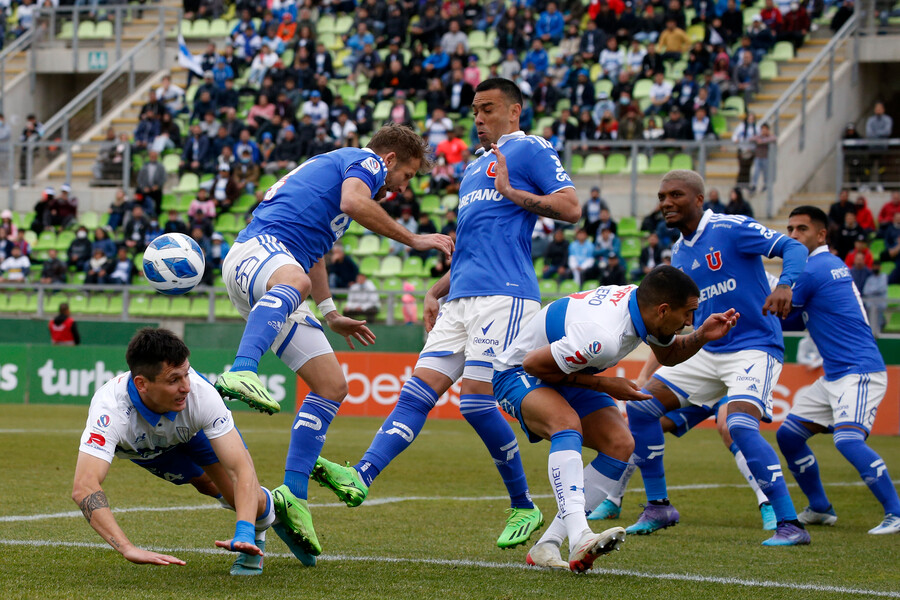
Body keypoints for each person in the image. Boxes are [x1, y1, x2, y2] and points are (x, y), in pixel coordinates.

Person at [312, 78, 581, 551]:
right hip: (462, 299)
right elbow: (472, 249)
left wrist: (512, 191)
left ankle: (524, 503)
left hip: (506, 295)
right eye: (474, 110)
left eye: (488, 108)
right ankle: (361, 476)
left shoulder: (531, 149)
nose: (478, 118)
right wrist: (438, 290)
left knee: (476, 402)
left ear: (515, 111)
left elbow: (570, 208)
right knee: (415, 395)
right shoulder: (475, 168)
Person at [214, 124, 453, 562]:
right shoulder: (364, 163)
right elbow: (352, 203)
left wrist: (330, 313)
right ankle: (243, 369)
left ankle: (295, 496)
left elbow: (315, 250)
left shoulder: (337, 181)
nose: (402, 189)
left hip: (278, 267)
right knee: (294, 279)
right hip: (257, 251)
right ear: (392, 160)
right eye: (407, 177)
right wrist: (415, 239)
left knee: (331, 385)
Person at [496, 267, 738, 570]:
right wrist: (605, 384)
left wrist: (701, 336)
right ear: (663, 310)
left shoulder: (643, 306)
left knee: (621, 444)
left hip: (566, 372)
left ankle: (548, 545)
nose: (691, 321)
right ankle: (581, 535)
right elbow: (533, 365)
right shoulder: (604, 335)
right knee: (566, 425)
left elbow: (667, 355)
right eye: (689, 314)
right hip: (518, 372)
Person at [621, 169, 811, 546]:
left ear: (698, 199)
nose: (665, 203)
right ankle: (658, 505)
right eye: (661, 197)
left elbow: (795, 247)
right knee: (641, 408)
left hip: (755, 346)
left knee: (739, 426)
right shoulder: (679, 251)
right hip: (709, 350)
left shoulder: (731, 227)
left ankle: (791, 524)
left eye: (675, 195)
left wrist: (786, 284)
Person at [72, 328, 276, 574]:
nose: (186, 387)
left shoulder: (201, 395)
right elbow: (84, 486)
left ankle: (265, 523)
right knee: (205, 484)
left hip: (192, 430)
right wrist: (127, 547)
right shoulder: (110, 410)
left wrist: (245, 531)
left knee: (239, 494)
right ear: (142, 384)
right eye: (174, 380)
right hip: (147, 449)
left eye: (186, 375)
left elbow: (242, 469)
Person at [777, 206, 900, 535]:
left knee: (847, 441)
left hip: (859, 371)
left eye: (801, 229)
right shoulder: (822, 265)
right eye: (789, 229)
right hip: (835, 374)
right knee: (788, 435)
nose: (792, 235)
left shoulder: (815, 267)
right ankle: (820, 507)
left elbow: (778, 311)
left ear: (821, 235)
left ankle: (896, 513)